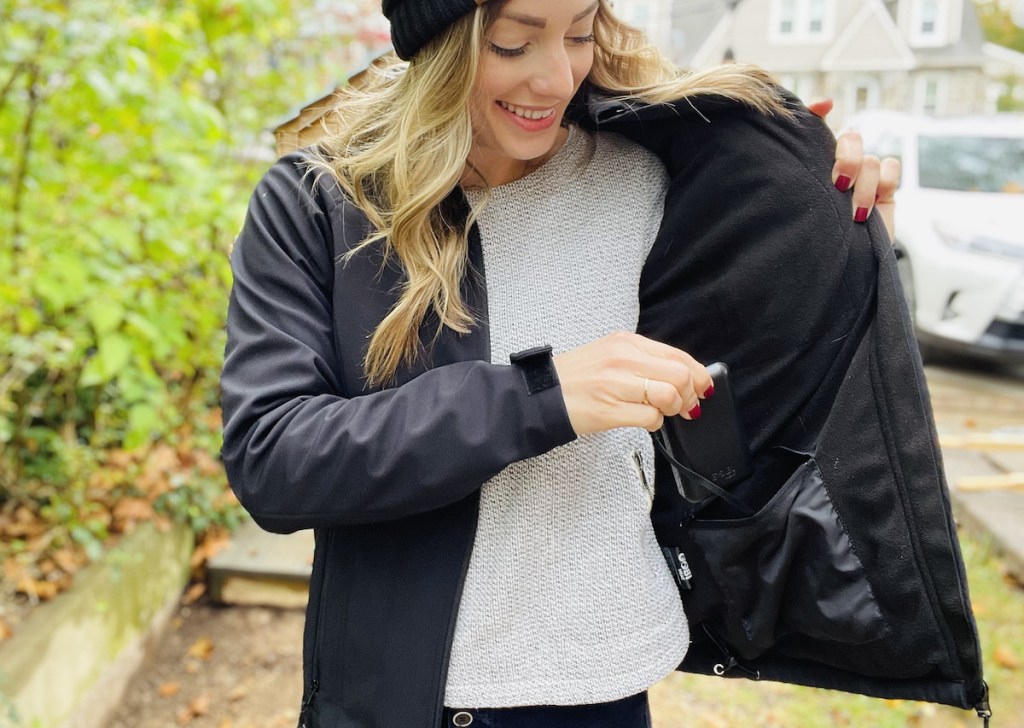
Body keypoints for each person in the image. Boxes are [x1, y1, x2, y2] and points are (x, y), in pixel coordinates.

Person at [218, 2, 959, 727]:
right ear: (437, 43)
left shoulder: (653, 177)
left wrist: (843, 236)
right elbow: (273, 459)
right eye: (513, 43)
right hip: (396, 695)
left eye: (579, 33)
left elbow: (775, 399)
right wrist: (546, 395)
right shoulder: (320, 204)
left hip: (602, 689)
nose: (556, 76)